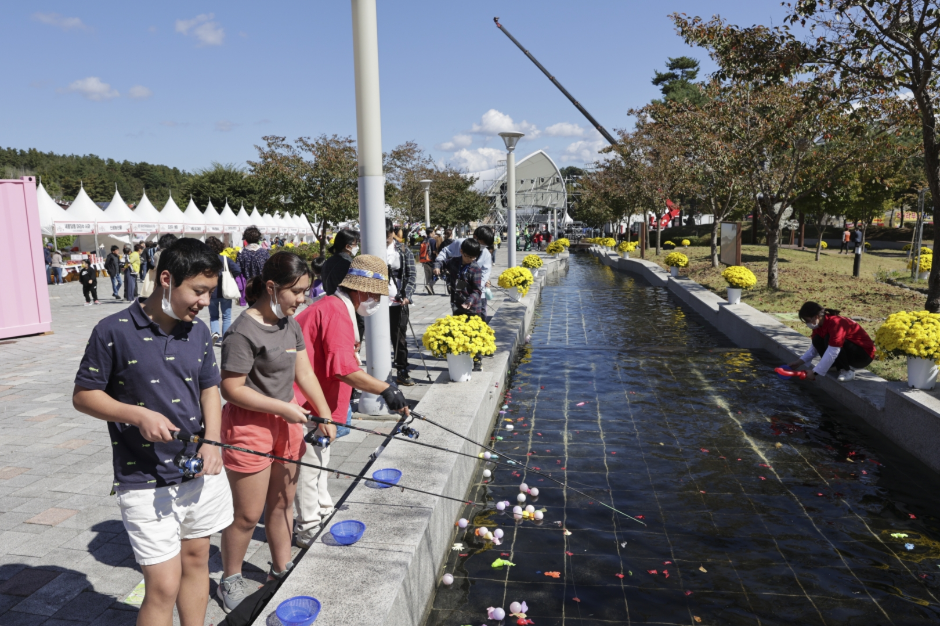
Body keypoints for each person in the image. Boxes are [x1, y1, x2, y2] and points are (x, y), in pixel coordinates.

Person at [71, 238, 232, 626]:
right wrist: (136, 414)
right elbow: (83, 395)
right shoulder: (113, 330)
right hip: (143, 478)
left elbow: (210, 387)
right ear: (166, 279)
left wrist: (212, 442)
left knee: (197, 562)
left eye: (210, 292)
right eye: (198, 291)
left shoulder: (197, 331)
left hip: (198, 471)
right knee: (162, 585)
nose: (205, 302)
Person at [217, 252, 332, 614]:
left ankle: (281, 568)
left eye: (306, 291)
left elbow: (306, 374)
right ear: (271, 288)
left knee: (282, 503)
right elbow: (232, 389)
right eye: (296, 292)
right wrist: (285, 408)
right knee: (248, 515)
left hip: (287, 425)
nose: (302, 299)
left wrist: (325, 413)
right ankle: (230, 577)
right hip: (249, 427)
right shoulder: (241, 331)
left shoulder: (290, 324)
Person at [292, 254, 410, 547]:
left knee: (320, 459)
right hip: (303, 403)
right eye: (376, 295)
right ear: (361, 290)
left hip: (321, 404)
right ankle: (307, 527)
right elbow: (342, 368)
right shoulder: (334, 311)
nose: (378, 302)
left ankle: (322, 511)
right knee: (308, 466)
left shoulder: (337, 306)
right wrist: (385, 389)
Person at [787, 302, 876, 382]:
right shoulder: (819, 325)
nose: (807, 323)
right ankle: (834, 366)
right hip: (851, 353)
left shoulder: (836, 323)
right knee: (817, 339)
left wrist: (815, 373)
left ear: (816, 317)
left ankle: (847, 371)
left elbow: (833, 351)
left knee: (830, 339)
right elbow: (814, 348)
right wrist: (798, 362)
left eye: (807, 320)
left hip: (863, 356)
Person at [441, 239, 485, 370]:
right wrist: (438, 267)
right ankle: (461, 358)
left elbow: (477, 290)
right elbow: (443, 262)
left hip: (473, 307)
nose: (470, 259)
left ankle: (477, 361)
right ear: (461, 252)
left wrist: (470, 301)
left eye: (473, 257)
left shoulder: (475, 268)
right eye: (467, 256)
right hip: (457, 304)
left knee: (474, 334)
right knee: (459, 333)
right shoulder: (454, 261)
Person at [386, 219, 417, 386]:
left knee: (399, 337)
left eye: (387, 235)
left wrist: (407, 294)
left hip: (398, 300)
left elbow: (412, 275)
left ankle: (402, 370)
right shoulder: (371, 248)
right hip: (376, 302)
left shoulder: (403, 250)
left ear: (393, 232)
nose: (385, 238)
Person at [205, 236, 242, 344]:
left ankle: (215, 333)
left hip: (211, 292)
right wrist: (230, 276)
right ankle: (225, 338)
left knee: (214, 316)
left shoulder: (205, 261)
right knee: (227, 317)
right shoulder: (225, 259)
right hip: (225, 291)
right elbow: (237, 270)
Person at [321, 228, 360, 295]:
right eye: (355, 243)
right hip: (344, 301)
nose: (357, 246)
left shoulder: (327, 262)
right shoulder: (349, 263)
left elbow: (325, 286)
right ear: (347, 246)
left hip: (329, 299)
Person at [236, 226, 270, 297]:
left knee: (252, 306)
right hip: (263, 286)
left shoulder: (241, 253)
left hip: (248, 287)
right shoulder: (264, 252)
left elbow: (238, 270)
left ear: (246, 239)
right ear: (258, 238)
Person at [418, 230, 439, 295]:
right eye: (433, 232)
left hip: (424, 260)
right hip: (431, 260)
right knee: (436, 275)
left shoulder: (423, 240)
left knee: (428, 276)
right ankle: (430, 286)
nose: (434, 234)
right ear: (430, 233)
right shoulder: (432, 241)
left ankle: (430, 291)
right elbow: (433, 251)